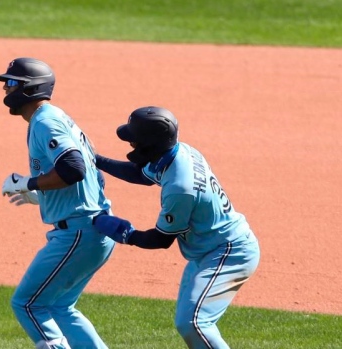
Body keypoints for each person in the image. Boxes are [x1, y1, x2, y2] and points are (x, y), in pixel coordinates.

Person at [92, 106, 261, 349]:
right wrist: (97, 160)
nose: (131, 145)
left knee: (194, 323)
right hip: (210, 249)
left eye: (135, 141)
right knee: (188, 322)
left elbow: (161, 240)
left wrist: (126, 234)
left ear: (150, 143)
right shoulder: (179, 153)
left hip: (229, 252)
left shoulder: (180, 186)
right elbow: (140, 174)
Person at [0, 57, 116, 349]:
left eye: (12, 84)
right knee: (60, 307)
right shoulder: (55, 117)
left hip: (77, 233)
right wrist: (40, 195)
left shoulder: (45, 121)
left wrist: (29, 182)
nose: (6, 90)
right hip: (92, 228)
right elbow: (86, 176)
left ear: (30, 89)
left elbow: (74, 169)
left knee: (27, 304)